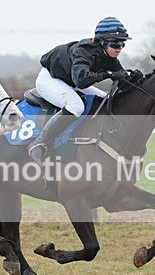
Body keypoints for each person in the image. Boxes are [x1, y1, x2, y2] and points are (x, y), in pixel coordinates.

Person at [27, 16, 142, 164]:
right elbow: (81, 81)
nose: (119, 48)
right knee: (76, 106)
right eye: (115, 43)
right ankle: (38, 143)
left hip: (70, 81)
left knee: (107, 101)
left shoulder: (110, 58)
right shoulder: (84, 51)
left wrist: (135, 80)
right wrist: (107, 74)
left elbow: (122, 83)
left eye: (122, 44)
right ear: (101, 42)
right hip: (50, 80)